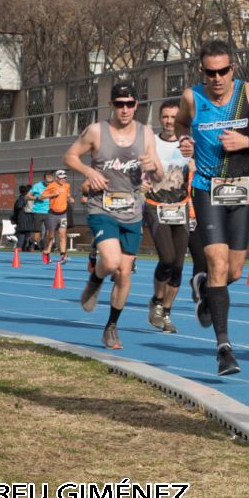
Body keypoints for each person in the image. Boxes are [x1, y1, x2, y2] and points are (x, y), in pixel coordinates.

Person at [175, 40, 249, 375]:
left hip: (240, 188)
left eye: (223, 71)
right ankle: (224, 348)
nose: (217, 78)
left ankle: (206, 287)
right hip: (206, 188)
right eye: (211, 72)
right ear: (202, 72)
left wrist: (247, 141)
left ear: (232, 69)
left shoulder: (248, 93)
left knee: (233, 271)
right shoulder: (192, 97)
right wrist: (184, 140)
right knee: (218, 261)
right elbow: (179, 124)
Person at [64, 81, 164, 351]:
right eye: (119, 104)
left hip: (132, 211)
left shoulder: (146, 133)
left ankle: (111, 327)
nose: (125, 109)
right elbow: (70, 156)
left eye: (130, 104)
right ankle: (95, 280)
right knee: (109, 262)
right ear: (111, 105)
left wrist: (153, 168)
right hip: (102, 207)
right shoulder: (96, 131)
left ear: (136, 106)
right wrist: (89, 172)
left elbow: (159, 177)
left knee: (123, 273)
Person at [144, 99, 192, 335]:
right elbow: (137, 169)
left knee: (179, 265)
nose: (170, 121)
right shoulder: (150, 142)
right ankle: (156, 300)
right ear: (160, 119)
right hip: (156, 205)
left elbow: (195, 171)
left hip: (181, 206)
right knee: (167, 258)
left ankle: (167, 311)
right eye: (165, 117)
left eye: (174, 117)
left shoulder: (189, 143)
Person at [39, 169, 73, 262]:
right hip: (52, 214)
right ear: (57, 178)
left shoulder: (67, 186)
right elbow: (41, 196)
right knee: (51, 235)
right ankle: (46, 252)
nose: (64, 180)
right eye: (62, 178)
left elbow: (67, 194)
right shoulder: (52, 186)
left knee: (62, 234)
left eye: (65, 178)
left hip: (63, 214)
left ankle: (63, 255)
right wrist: (53, 194)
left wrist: (70, 198)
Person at [27, 171, 53, 260]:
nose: (49, 184)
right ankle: (31, 241)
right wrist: (37, 198)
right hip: (37, 211)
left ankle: (45, 248)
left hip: (49, 212)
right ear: (44, 180)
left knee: (49, 232)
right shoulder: (37, 186)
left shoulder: (53, 186)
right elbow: (28, 196)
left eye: (50, 182)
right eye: (47, 182)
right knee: (37, 234)